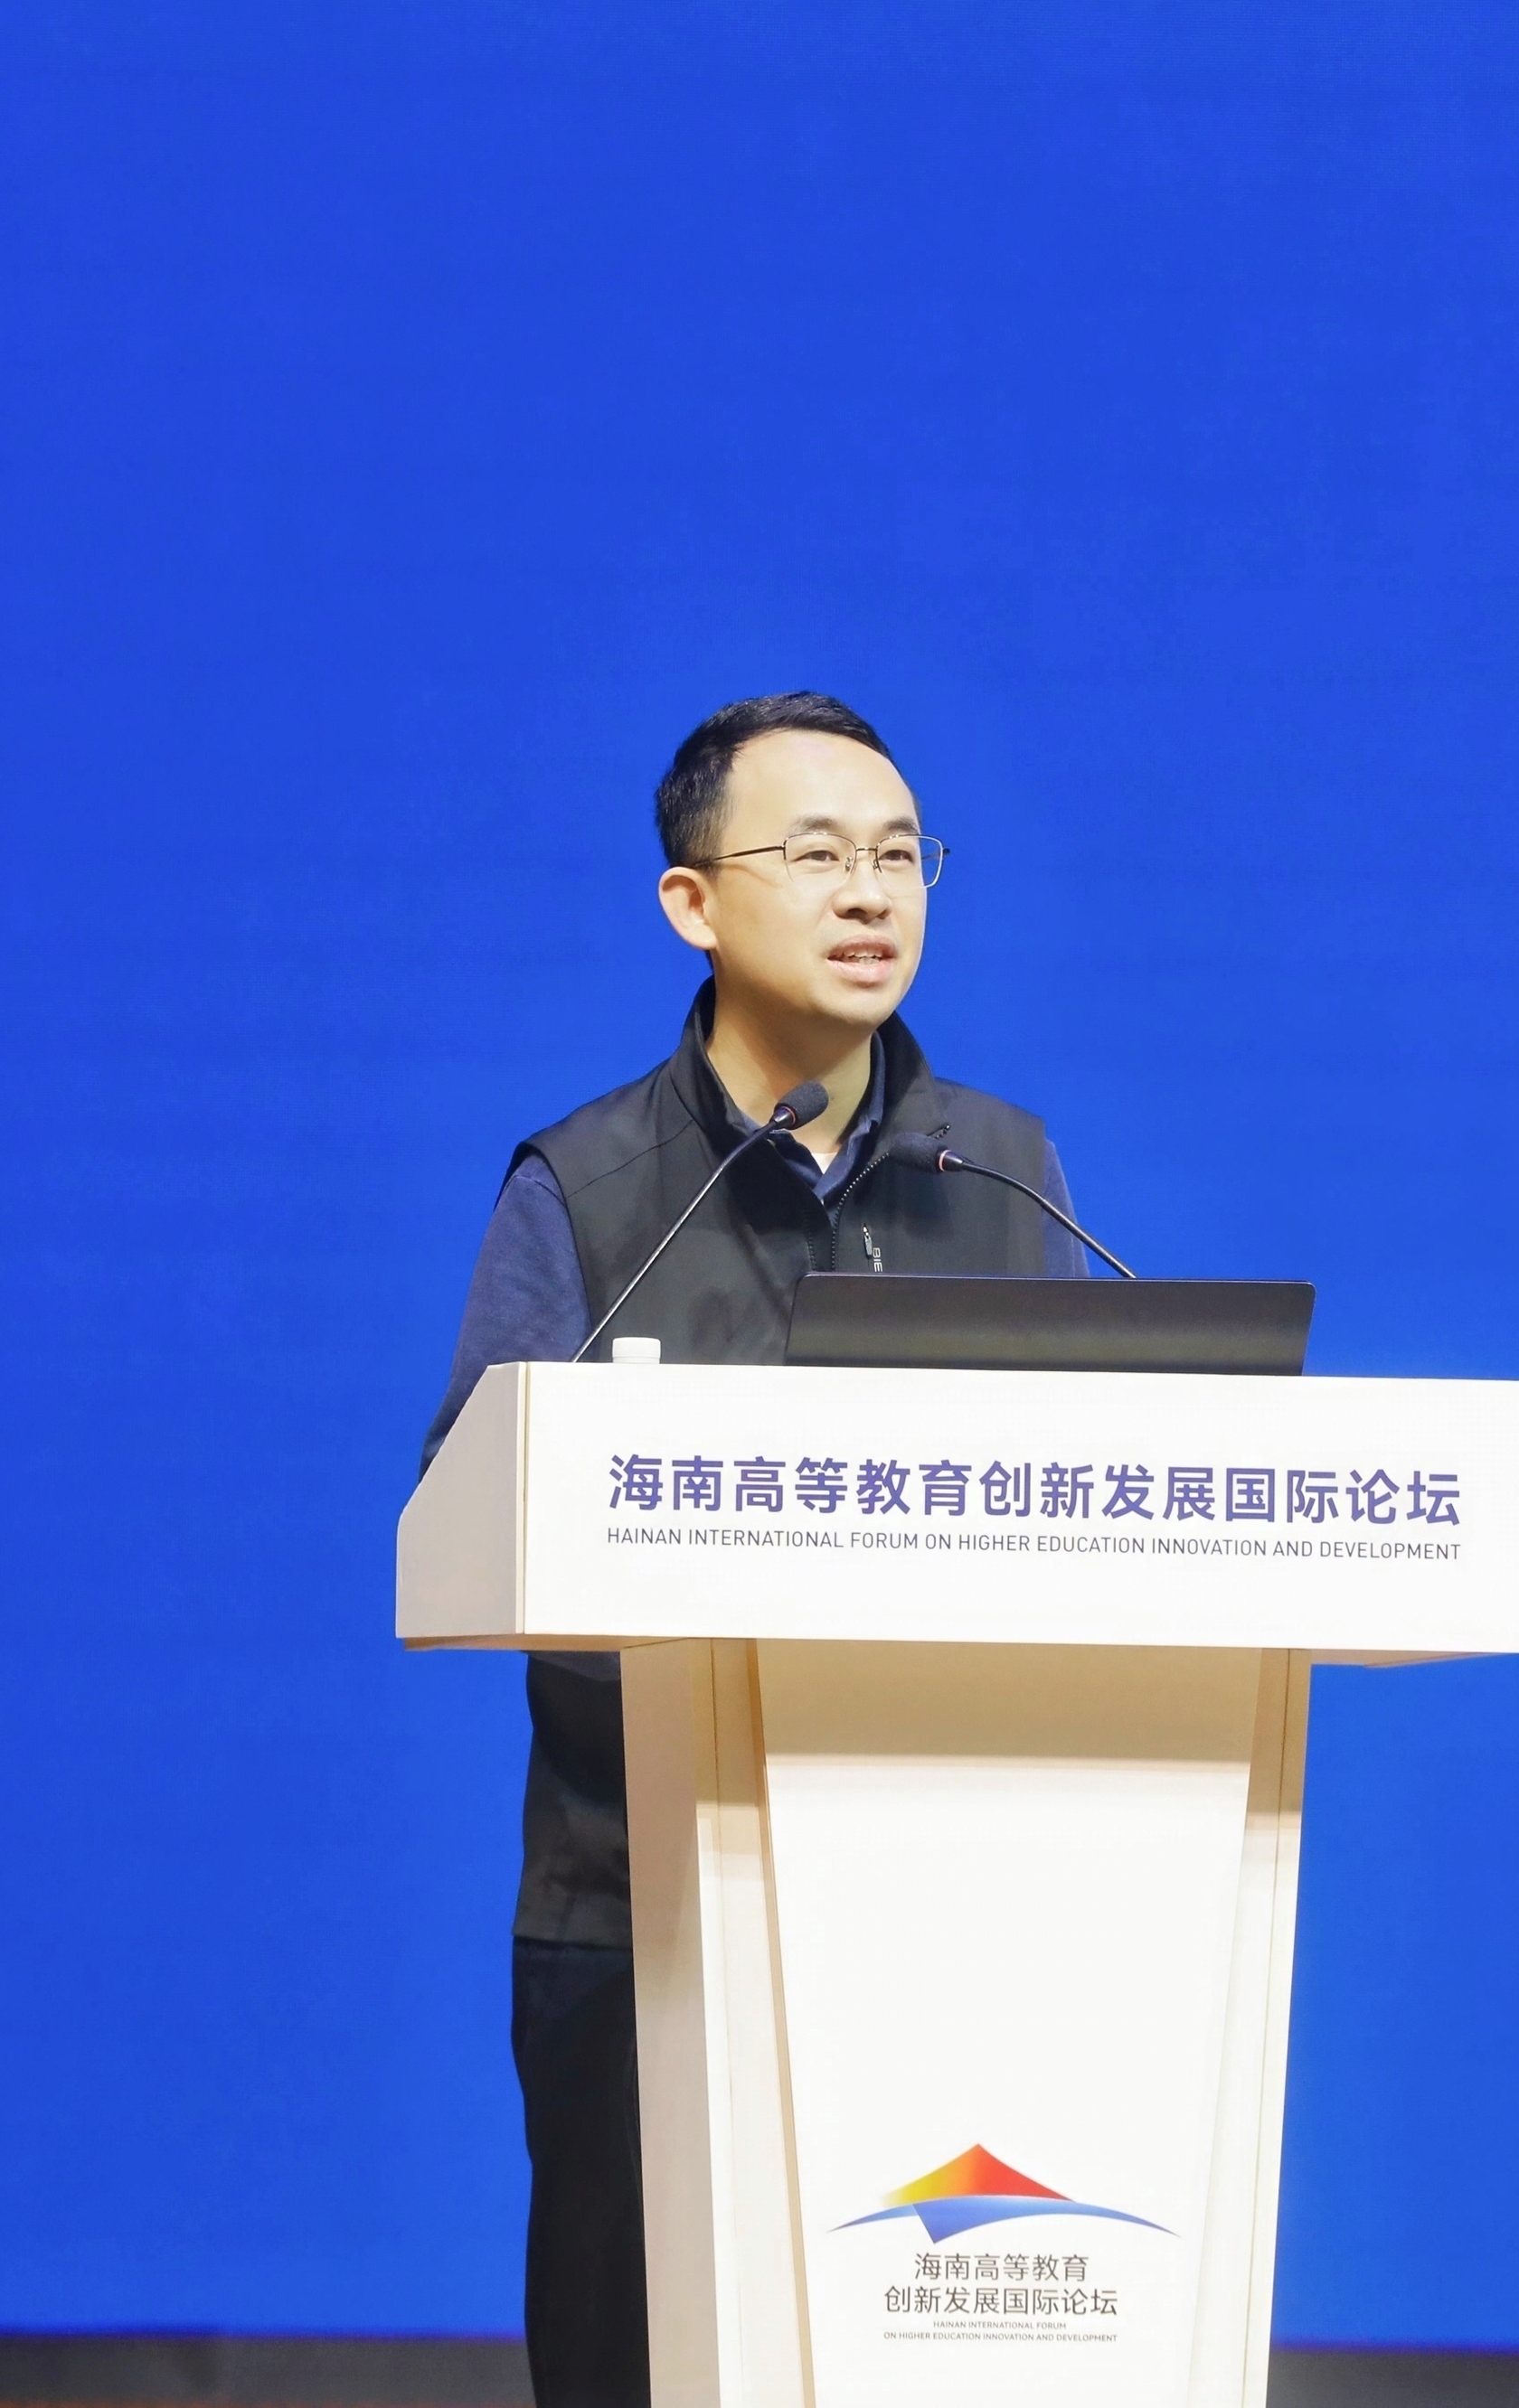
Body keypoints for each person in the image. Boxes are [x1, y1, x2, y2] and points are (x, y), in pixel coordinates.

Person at [419, 691, 1087, 2408]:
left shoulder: (1005, 1171)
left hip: (948, 1911)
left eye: (901, 856)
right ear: (691, 902)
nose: (871, 893)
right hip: (645, 1907)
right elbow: (472, 1528)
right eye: (817, 854)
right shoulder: (587, 1189)